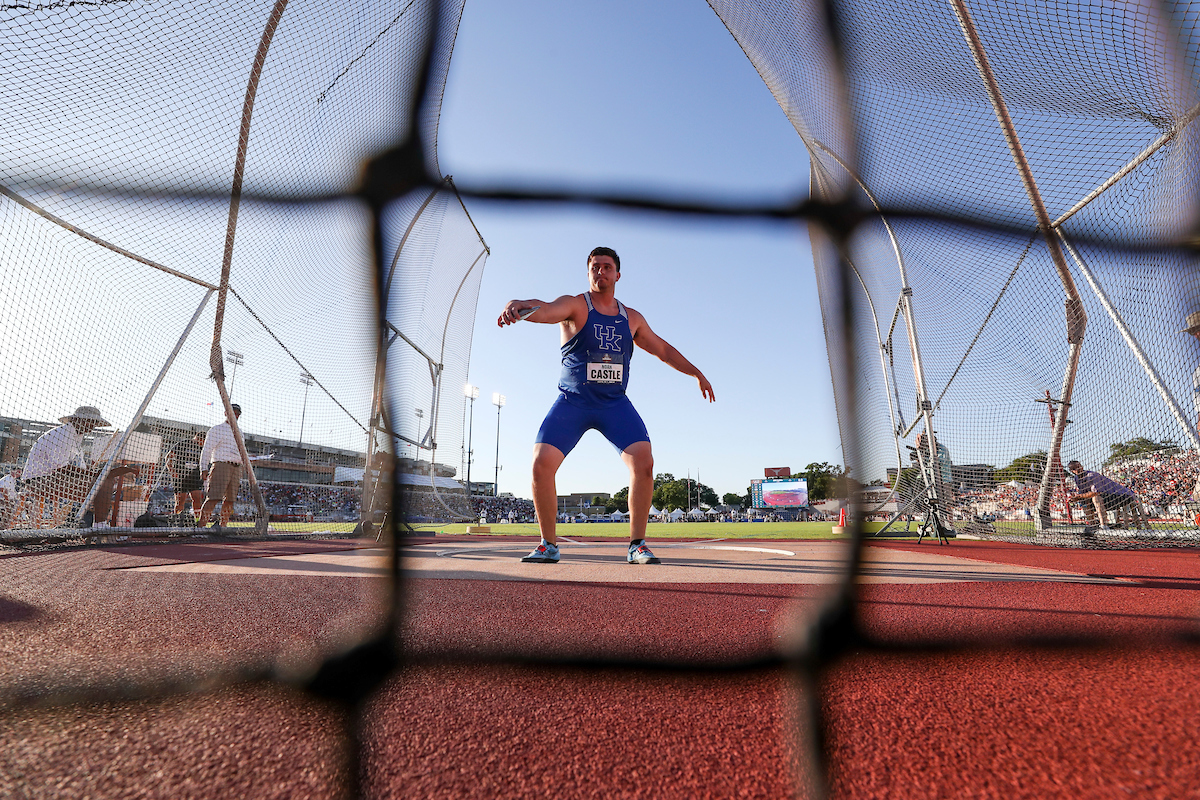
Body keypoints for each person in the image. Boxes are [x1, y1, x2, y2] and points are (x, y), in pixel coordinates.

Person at [498, 246, 714, 564]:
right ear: (589, 273)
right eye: (595, 267)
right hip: (575, 401)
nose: (601, 272)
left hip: (614, 404)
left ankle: (637, 544)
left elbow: (663, 350)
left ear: (618, 274)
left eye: (607, 267)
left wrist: (696, 372)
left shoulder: (632, 319)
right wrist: (516, 306)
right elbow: (544, 309)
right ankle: (548, 544)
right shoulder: (576, 306)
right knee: (540, 464)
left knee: (644, 460)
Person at [21, 406, 136, 528]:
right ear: (76, 420)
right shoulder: (62, 435)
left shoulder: (75, 436)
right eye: (90, 421)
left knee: (102, 483)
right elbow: (62, 468)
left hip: (50, 477)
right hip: (40, 479)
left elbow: (76, 466)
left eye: (95, 423)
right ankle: (97, 525)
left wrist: (95, 473)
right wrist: (96, 474)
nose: (92, 426)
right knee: (102, 484)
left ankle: (83, 523)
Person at [197, 404, 244, 529]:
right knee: (213, 497)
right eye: (233, 412)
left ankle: (223, 527)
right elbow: (207, 449)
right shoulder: (217, 429)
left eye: (238, 413)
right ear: (226, 413)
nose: (236, 415)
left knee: (230, 500)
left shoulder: (240, 432)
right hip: (221, 464)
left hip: (237, 466)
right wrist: (204, 468)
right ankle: (200, 527)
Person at [1066, 460, 1147, 530]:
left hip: (1123, 496)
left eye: (1078, 466)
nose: (1078, 469)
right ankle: (1092, 525)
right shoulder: (1077, 479)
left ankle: (1103, 525)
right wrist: (1074, 498)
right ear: (1071, 471)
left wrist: (1078, 497)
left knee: (1095, 497)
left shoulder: (1091, 475)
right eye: (1074, 469)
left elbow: (1096, 492)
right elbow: (1084, 493)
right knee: (1085, 501)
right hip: (1108, 498)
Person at [167, 432, 205, 522]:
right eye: (202, 441)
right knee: (180, 501)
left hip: (195, 476)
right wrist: (172, 470)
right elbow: (168, 456)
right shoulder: (184, 443)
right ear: (197, 438)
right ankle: (176, 521)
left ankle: (197, 521)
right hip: (181, 476)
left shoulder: (202, 448)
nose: (202, 444)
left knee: (197, 499)